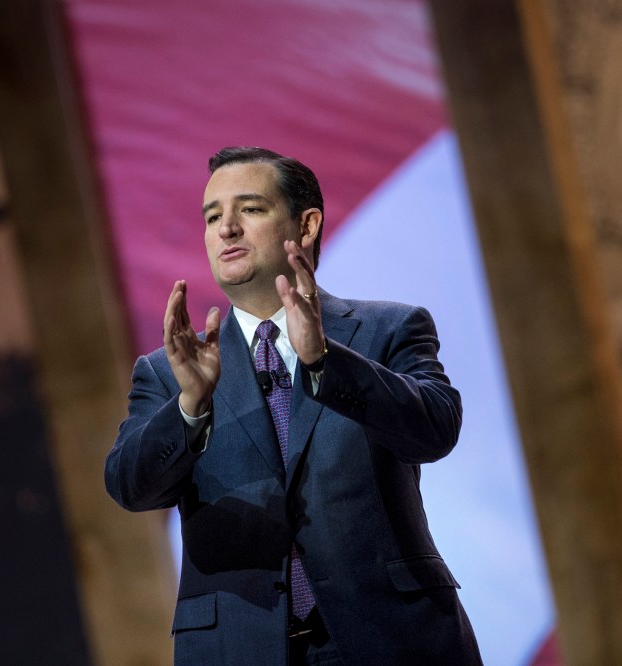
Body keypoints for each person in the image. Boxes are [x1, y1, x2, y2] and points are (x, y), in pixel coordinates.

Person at [105, 146, 482, 665]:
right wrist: (190, 405)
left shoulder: (388, 329)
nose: (227, 229)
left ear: (305, 225)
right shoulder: (167, 371)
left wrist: (328, 361)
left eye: (250, 209)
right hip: (237, 648)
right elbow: (130, 487)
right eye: (212, 216)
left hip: (394, 640)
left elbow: (435, 430)